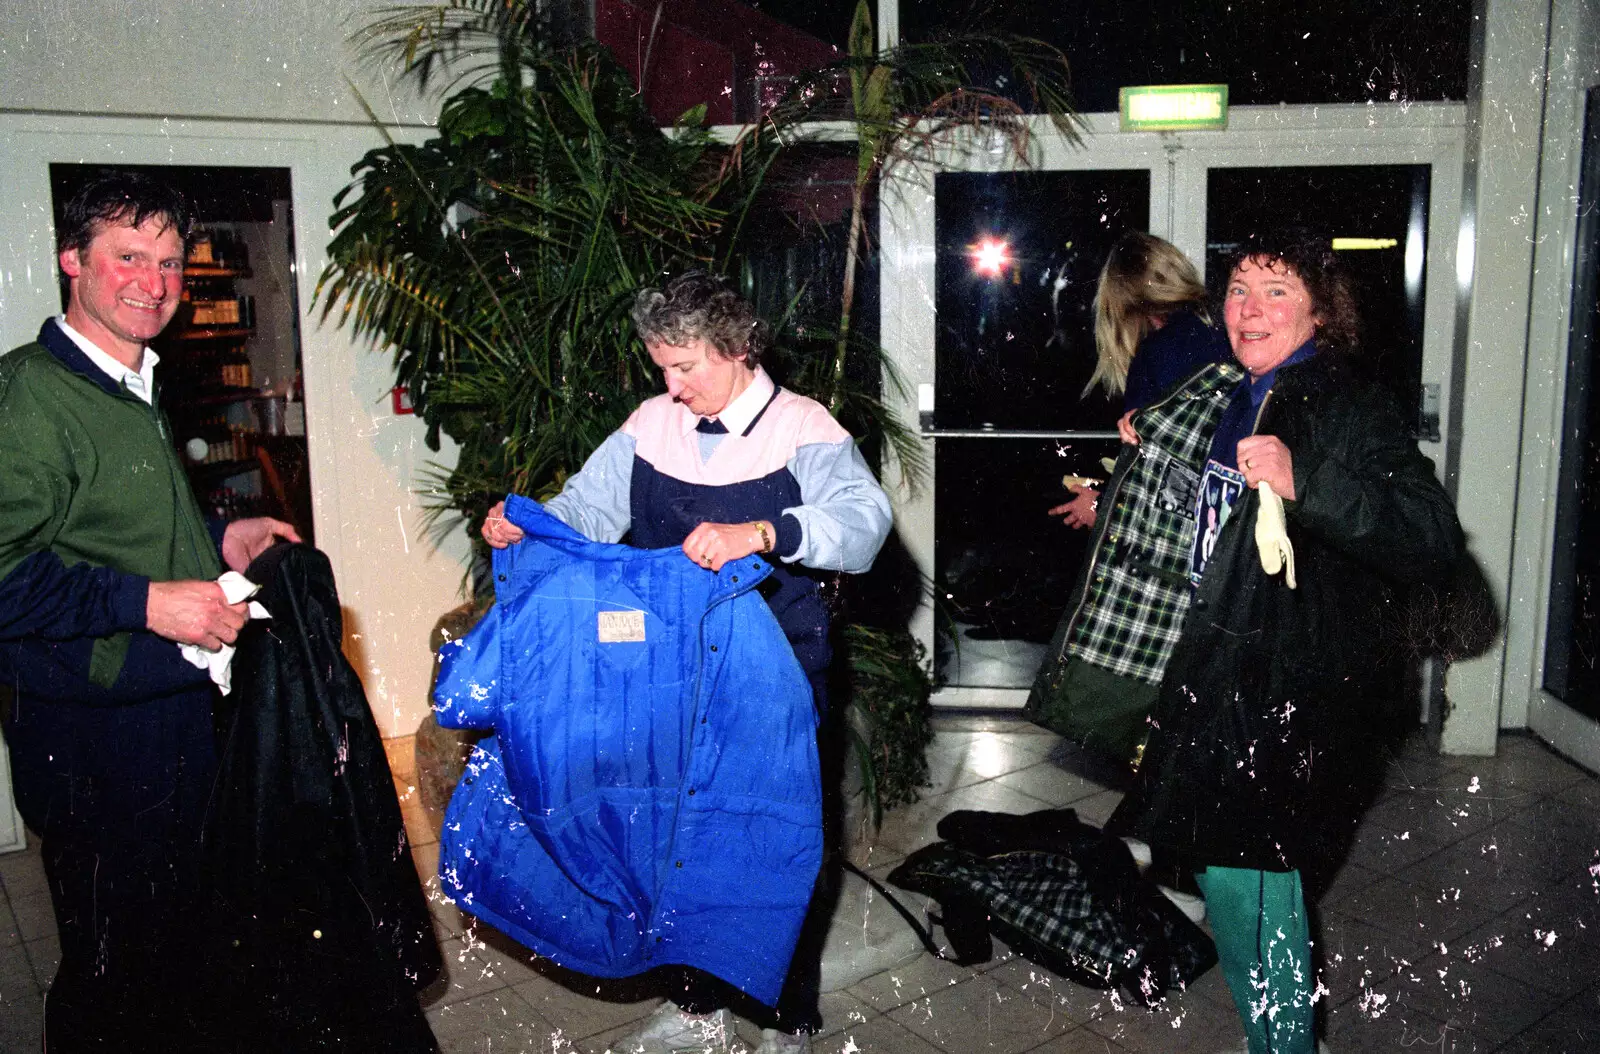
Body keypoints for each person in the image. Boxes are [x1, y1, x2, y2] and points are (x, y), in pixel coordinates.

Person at [482, 271, 893, 1054]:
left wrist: (765, 531)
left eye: (686, 367)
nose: (672, 389)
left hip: (777, 673)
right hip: (668, 675)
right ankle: (697, 1006)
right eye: (661, 369)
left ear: (739, 348)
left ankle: (788, 1019)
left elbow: (865, 525)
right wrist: (524, 524)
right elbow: (585, 511)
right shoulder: (649, 424)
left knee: (775, 840)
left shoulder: (805, 426)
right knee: (675, 838)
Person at [1104, 234, 1463, 1053]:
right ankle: (1284, 1038)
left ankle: (1287, 1044)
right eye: (1237, 290)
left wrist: (1308, 481)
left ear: (1320, 312)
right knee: (1236, 878)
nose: (1249, 309)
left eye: (1275, 292)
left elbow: (1430, 536)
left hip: (1287, 685)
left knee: (1252, 881)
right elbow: (1211, 525)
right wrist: (1153, 450)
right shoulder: (1238, 388)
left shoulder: (1340, 399)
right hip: (1224, 670)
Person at [0, 171, 300, 1050]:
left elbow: (112, 526)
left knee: (170, 951)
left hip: (161, 709)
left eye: (170, 263)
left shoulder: (131, 380)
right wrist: (145, 602)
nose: (154, 283)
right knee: (115, 971)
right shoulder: (29, 397)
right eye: (128, 256)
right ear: (72, 263)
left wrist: (221, 538)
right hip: (93, 733)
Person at [1051, 232, 1228, 530]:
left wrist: (1100, 503)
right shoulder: (1222, 332)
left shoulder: (1154, 355)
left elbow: (1157, 484)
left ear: (1119, 303)